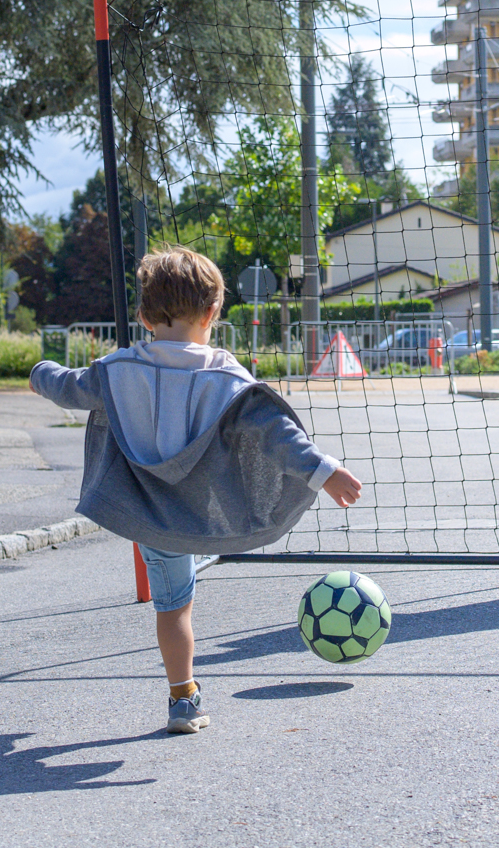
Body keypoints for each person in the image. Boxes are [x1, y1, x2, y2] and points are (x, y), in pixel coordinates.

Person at [29, 245, 363, 735]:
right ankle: (184, 695)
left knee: (173, 608)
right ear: (212, 314)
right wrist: (323, 470)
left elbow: (69, 387)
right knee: (184, 593)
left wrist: (40, 373)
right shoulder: (226, 379)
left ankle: (183, 697)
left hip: (146, 512)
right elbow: (277, 432)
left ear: (143, 316)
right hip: (205, 513)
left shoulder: (116, 370)